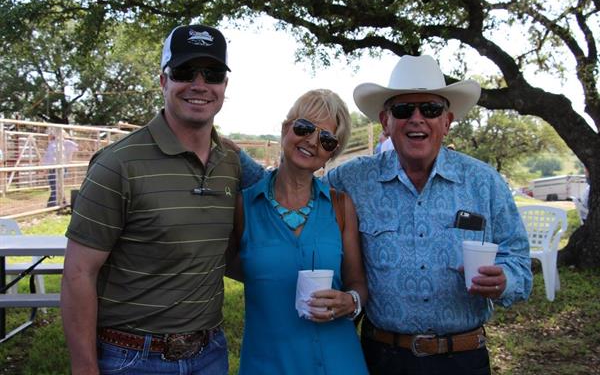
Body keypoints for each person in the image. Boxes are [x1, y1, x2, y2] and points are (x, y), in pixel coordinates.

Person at [239, 55, 532, 375]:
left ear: (447, 121)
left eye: (430, 109)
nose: (416, 119)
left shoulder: (484, 182)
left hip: (462, 358)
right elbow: (293, 185)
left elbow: (517, 261)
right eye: (404, 110)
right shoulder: (351, 181)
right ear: (386, 122)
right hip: (383, 358)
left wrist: (505, 280)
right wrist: (228, 155)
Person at [61, 24, 239, 375]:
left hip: (210, 354)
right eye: (185, 72)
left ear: (224, 86)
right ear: (163, 81)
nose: (199, 84)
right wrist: (84, 368)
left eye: (213, 73)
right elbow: (79, 273)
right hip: (131, 359)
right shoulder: (118, 164)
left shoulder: (229, 163)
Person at [229, 89, 369, 374]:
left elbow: (358, 284)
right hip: (268, 364)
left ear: (331, 153)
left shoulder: (341, 207)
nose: (312, 141)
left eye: (326, 139)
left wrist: (350, 302)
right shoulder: (244, 207)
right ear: (285, 129)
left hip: (339, 363)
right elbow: (222, 266)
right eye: (304, 127)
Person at [41, 128, 78, 207]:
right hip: (58, 168)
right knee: (57, 186)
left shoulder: (58, 144)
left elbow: (49, 158)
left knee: (55, 186)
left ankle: (52, 204)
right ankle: (62, 202)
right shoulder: (60, 144)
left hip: (56, 168)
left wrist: (44, 168)